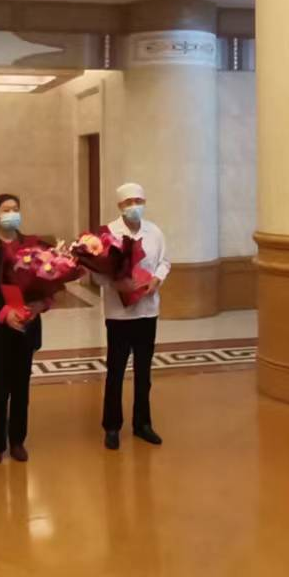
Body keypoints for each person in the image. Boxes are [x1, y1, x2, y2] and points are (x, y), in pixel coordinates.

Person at [97, 182, 172, 451]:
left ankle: (142, 423)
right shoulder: (108, 234)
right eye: (128, 202)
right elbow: (97, 273)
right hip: (119, 314)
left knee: (144, 371)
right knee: (115, 371)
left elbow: (165, 262)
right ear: (120, 206)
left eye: (138, 201)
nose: (134, 206)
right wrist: (116, 283)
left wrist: (156, 280)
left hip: (147, 311)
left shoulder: (155, 232)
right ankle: (112, 426)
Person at [0, 194, 41, 465]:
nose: (12, 213)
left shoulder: (32, 246)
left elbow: (43, 282)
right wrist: (5, 312)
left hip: (26, 326)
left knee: (21, 388)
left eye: (15, 209)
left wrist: (38, 306)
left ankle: (17, 441)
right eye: (6, 209)